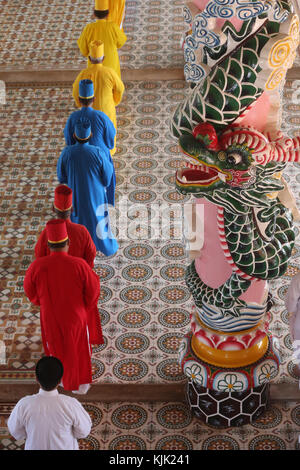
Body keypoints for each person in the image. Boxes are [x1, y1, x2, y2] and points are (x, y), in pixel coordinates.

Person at [24, 219, 103, 393]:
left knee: (55, 347)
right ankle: (80, 385)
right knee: (79, 348)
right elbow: (93, 292)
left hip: (50, 317)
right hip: (76, 317)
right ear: (68, 243)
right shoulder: (80, 265)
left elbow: (30, 291)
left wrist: (42, 302)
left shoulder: (36, 266)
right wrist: (84, 306)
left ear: (48, 245)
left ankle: (60, 382)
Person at [57, 117, 119, 256]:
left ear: (74, 135)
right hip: (95, 193)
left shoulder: (67, 152)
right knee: (98, 219)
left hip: (75, 192)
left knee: (78, 220)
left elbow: (61, 176)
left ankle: (80, 248)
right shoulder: (97, 152)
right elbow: (107, 175)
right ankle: (102, 245)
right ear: (91, 135)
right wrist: (103, 183)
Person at [7, 357, 92, 450]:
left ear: (37, 379)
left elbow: (17, 432)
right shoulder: (71, 404)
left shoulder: (23, 404)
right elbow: (83, 432)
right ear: (60, 381)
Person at [65, 79, 116, 204]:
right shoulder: (101, 116)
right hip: (101, 155)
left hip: (79, 156)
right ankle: (105, 203)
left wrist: (74, 148)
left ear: (79, 99)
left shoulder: (73, 117)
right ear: (94, 99)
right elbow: (111, 134)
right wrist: (108, 145)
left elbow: (68, 138)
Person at [73, 42, 125, 156]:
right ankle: (109, 152)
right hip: (107, 108)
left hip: (89, 108)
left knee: (91, 132)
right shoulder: (109, 72)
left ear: (89, 58)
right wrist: (115, 100)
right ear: (104, 58)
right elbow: (120, 88)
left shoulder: (84, 73)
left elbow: (75, 90)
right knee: (108, 129)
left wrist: (80, 104)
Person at [35, 184, 97, 267]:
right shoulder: (82, 231)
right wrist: (85, 269)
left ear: (53, 209)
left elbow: (39, 256)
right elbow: (91, 254)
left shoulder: (47, 232)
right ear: (72, 209)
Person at [77, 0, 127, 78]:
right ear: (107, 14)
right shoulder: (113, 26)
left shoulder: (89, 28)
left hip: (94, 66)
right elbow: (121, 42)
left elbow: (83, 50)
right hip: (111, 66)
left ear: (94, 14)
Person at [285, 272, 300, 377]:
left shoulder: (298, 278)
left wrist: (291, 312)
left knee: (298, 342)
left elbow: (291, 300)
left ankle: (299, 367)